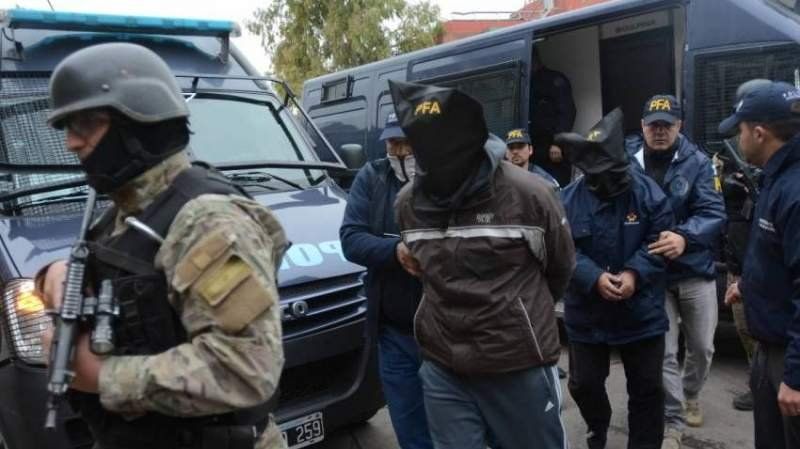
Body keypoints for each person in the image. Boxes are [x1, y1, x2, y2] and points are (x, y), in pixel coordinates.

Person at [35, 43, 287, 449]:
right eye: (68, 127)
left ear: (138, 122)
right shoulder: (129, 210)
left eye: (86, 124)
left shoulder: (207, 221)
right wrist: (54, 276)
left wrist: (102, 376)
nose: (71, 143)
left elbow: (247, 368)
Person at [389, 80, 575, 449]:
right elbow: (424, 266)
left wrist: (518, 313)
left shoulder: (530, 194)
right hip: (443, 365)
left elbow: (561, 268)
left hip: (517, 362)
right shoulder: (407, 204)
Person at [558, 108, 674, 449]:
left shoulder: (649, 194)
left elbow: (661, 241)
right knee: (584, 385)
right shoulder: (566, 200)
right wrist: (593, 277)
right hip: (587, 312)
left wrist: (635, 273)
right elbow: (561, 250)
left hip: (641, 311)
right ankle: (598, 424)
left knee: (648, 390)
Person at [625, 94, 726, 448]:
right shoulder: (628, 161)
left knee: (702, 346)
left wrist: (684, 236)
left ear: (679, 126)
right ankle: (673, 416)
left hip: (694, 269)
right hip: (652, 273)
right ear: (642, 126)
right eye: (653, 125)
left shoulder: (699, 162)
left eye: (666, 125)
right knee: (664, 351)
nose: (659, 131)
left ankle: (691, 392)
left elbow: (714, 212)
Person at [339, 112, 433, 449]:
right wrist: (395, 251)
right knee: (410, 429)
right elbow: (351, 238)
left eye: (406, 142)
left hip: (444, 332)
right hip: (394, 334)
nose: (399, 150)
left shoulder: (444, 176)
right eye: (392, 142)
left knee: (455, 427)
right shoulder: (372, 176)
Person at [720, 80, 800, 449]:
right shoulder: (775, 176)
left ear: (759, 132)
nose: (738, 139)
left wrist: (796, 377)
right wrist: (748, 286)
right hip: (770, 345)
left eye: (739, 130)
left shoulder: (794, 190)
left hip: (789, 351)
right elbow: (777, 256)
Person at [529, 46, 577, 187]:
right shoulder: (526, 83)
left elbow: (567, 112)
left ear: (535, 59)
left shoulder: (554, 80)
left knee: (558, 190)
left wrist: (557, 143)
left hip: (553, 149)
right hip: (533, 150)